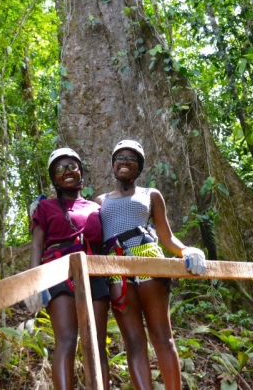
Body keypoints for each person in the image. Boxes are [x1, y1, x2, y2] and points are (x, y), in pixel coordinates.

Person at [96, 140, 207, 390]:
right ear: (113, 164)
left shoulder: (150, 194)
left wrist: (186, 250)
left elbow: (166, 236)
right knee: (134, 341)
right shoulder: (100, 201)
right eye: (120, 158)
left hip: (148, 259)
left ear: (139, 167)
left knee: (161, 336)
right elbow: (82, 223)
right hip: (116, 269)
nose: (125, 162)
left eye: (132, 159)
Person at [25, 147, 111, 390]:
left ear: (81, 172)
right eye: (60, 169)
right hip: (58, 272)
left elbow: (105, 243)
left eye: (72, 166)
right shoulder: (45, 207)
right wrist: (34, 283)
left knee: (96, 343)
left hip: (93, 272)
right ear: (54, 178)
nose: (67, 172)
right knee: (66, 340)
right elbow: (37, 246)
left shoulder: (96, 208)